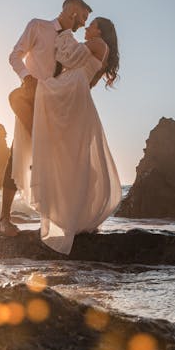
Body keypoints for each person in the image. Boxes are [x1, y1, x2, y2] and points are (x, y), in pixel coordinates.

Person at [25, 16, 121, 254]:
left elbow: (67, 56)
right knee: (73, 157)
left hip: (71, 90)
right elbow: (87, 78)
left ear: (99, 29)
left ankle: (73, 215)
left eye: (91, 24)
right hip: (76, 91)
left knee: (72, 155)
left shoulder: (99, 43)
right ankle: (76, 216)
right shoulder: (99, 48)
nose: (87, 28)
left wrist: (65, 33)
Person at [0, 0, 91, 237]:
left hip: (55, 105)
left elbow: (82, 75)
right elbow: (14, 56)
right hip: (31, 97)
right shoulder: (38, 26)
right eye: (83, 16)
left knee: (57, 160)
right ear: (72, 11)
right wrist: (27, 77)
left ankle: (53, 220)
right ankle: (3, 220)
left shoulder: (72, 43)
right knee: (16, 154)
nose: (83, 23)